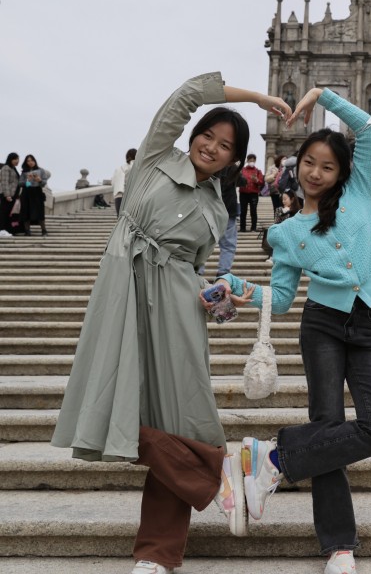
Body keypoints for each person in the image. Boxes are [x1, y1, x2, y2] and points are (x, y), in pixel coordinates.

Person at [51, 72, 290, 574]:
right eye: (208, 135)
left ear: (233, 160)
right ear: (194, 135)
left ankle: (158, 553)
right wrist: (259, 98)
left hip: (181, 307)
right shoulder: (157, 157)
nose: (212, 147)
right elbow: (185, 95)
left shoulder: (218, 209)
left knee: (179, 419)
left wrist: (218, 299)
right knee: (116, 400)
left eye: (226, 146)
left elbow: (198, 270)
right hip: (125, 289)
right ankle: (223, 476)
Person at [216, 87, 371, 574]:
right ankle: (339, 545)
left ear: (342, 172)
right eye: (308, 162)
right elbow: (279, 297)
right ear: (296, 165)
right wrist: (238, 288)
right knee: (329, 424)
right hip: (321, 326)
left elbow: (366, 129)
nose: (316, 172)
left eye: (326, 165)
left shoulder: (360, 188)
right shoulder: (286, 233)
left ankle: (271, 459)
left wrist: (322, 96)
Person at [18, 154, 51, 236]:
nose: (30, 162)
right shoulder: (24, 171)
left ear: (35, 161)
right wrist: (28, 180)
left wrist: (39, 180)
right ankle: (27, 231)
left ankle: (44, 230)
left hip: (37, 192)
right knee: (26, 210)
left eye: (32, 160)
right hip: (26, 192)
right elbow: (20, 183)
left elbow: (44, 183)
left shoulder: (41, 170)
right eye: (28, 161)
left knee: (40, 211)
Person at [215, 166, 239, 276]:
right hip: (229, 209)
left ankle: (197, 270)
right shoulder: (233, 168)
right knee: (228, 245)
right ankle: (223, 272)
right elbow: (242, 181)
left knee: (200, 242)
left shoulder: (212, 166)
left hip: (210, 208)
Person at [238, 153, 264, 232]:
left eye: (253, 160)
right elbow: (238, 181)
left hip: (254, 193)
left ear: (255, 161)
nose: (252, 162)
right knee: (243, 211)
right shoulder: (242, 170)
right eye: (250, 160)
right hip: (243, 193)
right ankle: (242, 228)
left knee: (253, 211)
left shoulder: (258, 171)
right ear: (247, 160)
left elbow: (261, 182)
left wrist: (256, 180)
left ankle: (253, 227)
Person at [112, 148, 137, 216]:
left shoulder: (119, 168)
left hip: (118, 195)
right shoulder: (135, 166)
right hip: (130, 196)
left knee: (120, 217)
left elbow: (113, 183)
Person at [0, 153, 20, 235]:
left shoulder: (13, 168)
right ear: (10, 159)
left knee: (8, 213)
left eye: (18, 159)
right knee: (4, 212)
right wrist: (7, 195)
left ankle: (6, 229)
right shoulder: (6, 168)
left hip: (13, 194)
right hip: (7, 194)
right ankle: (1, 229)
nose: (17, 161)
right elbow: (5, 182)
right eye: (15, 159)